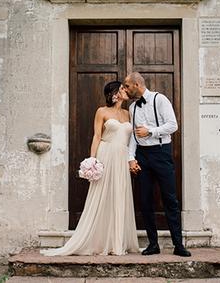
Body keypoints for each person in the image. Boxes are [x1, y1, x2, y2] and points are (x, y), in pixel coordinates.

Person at [40, 81, 139, 256]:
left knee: (119, 196)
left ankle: (116, 242)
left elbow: (132, 140)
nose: (125, 91)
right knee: (102, 196)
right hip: (106, 154)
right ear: (114, 93)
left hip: (121, 157)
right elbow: (97, 136)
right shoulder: (102, 111)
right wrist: (92, 160)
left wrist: (131, 159)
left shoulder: (128, 113)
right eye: (122, 88)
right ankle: (99, 241)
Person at [122, 72, 191, 257]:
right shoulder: (133, 108)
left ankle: (178, 245)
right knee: (145, 201)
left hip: (161, 153)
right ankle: (153, 244)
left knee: (170, 200)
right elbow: (135, 137)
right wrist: (131, 158)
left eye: (127, 86)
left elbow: (173, 125)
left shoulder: (160, 99)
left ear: (137, 84)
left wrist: (150, 131)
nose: (126, 89)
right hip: (142, 156)